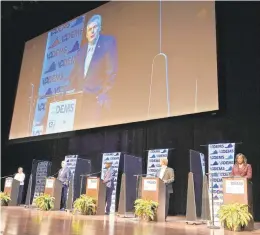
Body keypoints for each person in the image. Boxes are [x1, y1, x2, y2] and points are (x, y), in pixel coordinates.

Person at [68, 14, 118, 127]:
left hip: (97, 100)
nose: (92, 31)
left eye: (95, 27)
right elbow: (74, 75)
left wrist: (103, 94)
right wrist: (68, 94)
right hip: (80, 102)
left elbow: (112, 71)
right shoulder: (81, 51)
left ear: (100, 28)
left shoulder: (108, 42)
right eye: (89, 29)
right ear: (86, 34)